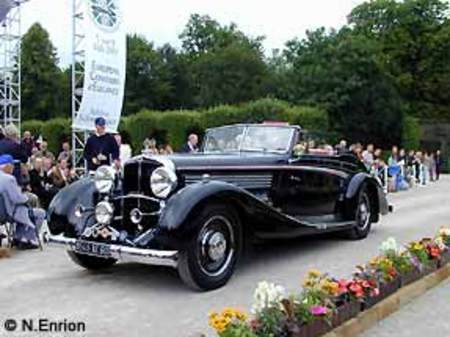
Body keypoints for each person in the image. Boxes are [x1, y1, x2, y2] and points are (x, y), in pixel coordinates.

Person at [0, 155, 45, 250]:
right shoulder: (9, 179)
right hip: (9, 213)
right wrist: (26, 198)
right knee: (40, 213)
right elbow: (17, 198)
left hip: (3, 213)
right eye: (12, 165)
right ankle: (27, 239)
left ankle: (18, 237)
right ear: (6, 166)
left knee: (23, 211)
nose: (13, 167)